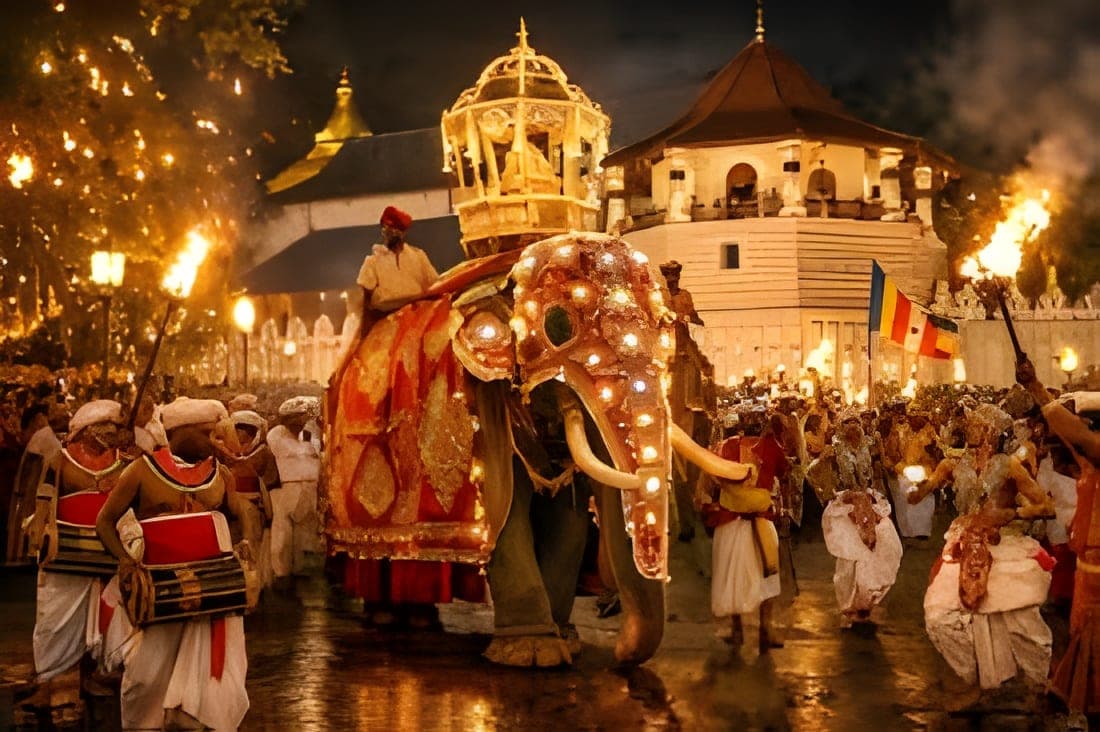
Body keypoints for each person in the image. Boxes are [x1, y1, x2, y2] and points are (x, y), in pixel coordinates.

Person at [95, 400, 255, 731]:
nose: (215, 440)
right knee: (146, 675)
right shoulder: (141, 470)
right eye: (207, 433)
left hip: (211, 592)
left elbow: (241, 515)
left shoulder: (220, 475)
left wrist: (243, 546)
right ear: (180, 433)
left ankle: (193, 720)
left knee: (207, 677)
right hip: (160, 593)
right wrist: (124, 560)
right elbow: (105, 521)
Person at [1017, 359, 1100, 714]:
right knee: (1081, 633)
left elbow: (1075, 434)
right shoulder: (1091, 463)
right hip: (1089, 565)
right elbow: (1069, 437)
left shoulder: (1097, 451)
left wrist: (1036, 386)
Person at [821, 408, 903, 626]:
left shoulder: (870, 444)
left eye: (855, 422)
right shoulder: (834, 448)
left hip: (869, 501)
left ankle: (866, 603)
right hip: (846, 505)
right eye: (847, 423)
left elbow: (878, 470)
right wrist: (835, 494)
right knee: (851, 559)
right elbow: (817, 473)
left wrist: (875, 499)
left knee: (878, 551)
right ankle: (850, 604)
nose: (852, 426)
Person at [266, 396, 321, 586]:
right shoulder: (276, 434)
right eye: (298, 418)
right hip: (287, 486)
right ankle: (281, 572)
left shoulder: (309, 434)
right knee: (283, 531)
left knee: (304, 532)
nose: (302, 421)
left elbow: (315, 454)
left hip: (309, 486)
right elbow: (292, 454)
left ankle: (299, 570)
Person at [356, 205, 439, 320]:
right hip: (383, 319)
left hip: (416, 317)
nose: (389, 233)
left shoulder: (418, 256)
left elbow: (434, 286)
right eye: (385, 228)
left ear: (403, 232)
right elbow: (365, 300)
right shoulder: (372, 261)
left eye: (393, 229)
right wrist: (364, 330)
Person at [658, 260, 704, 325]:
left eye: (674, 275)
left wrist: (695, 320)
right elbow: (657, 316)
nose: (673, 280)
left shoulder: (685, 295)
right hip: (667, 330)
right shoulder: (660, 295)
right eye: (669, 275)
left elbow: (692, 314)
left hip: (682, 330)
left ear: (678, 276)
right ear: (666, 278)